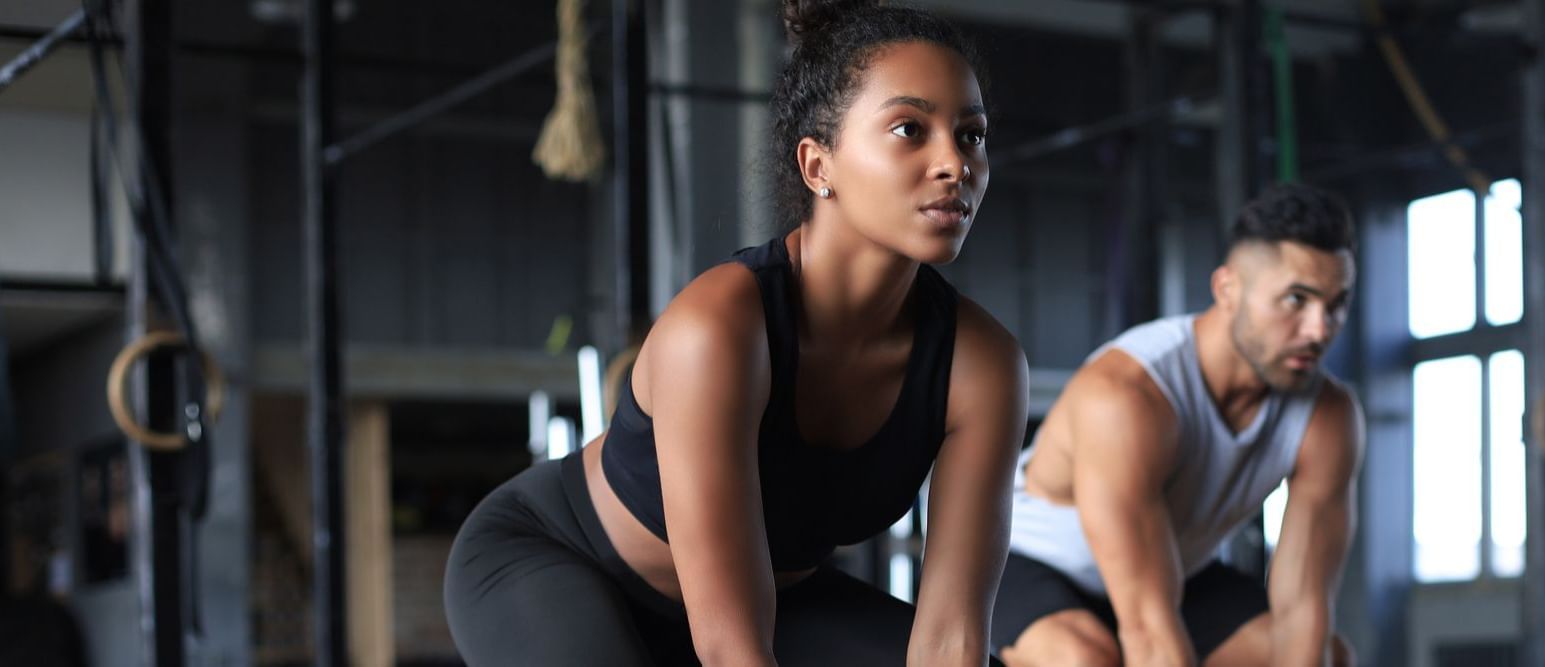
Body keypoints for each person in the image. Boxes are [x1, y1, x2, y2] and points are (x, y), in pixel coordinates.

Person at [444, 1, 1027, 664]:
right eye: (909, 128)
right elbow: (731, 648)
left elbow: (951, 639)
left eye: (972, 135)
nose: (955, 162)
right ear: (818, 166)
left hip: (783, 604)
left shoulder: (982, 365)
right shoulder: (720, 326)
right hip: (562, 563)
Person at [993, 183, 1364, 667]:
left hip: (1175, 573)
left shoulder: (1328, 415)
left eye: (1335, 305)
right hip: (1030, 565)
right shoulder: (1127, 395)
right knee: (1085, 660)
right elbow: (1149, 632)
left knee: (1329, 657)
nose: (1319, 330)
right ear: (1227, 290)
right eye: (1297, 300)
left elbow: (1303, 609)